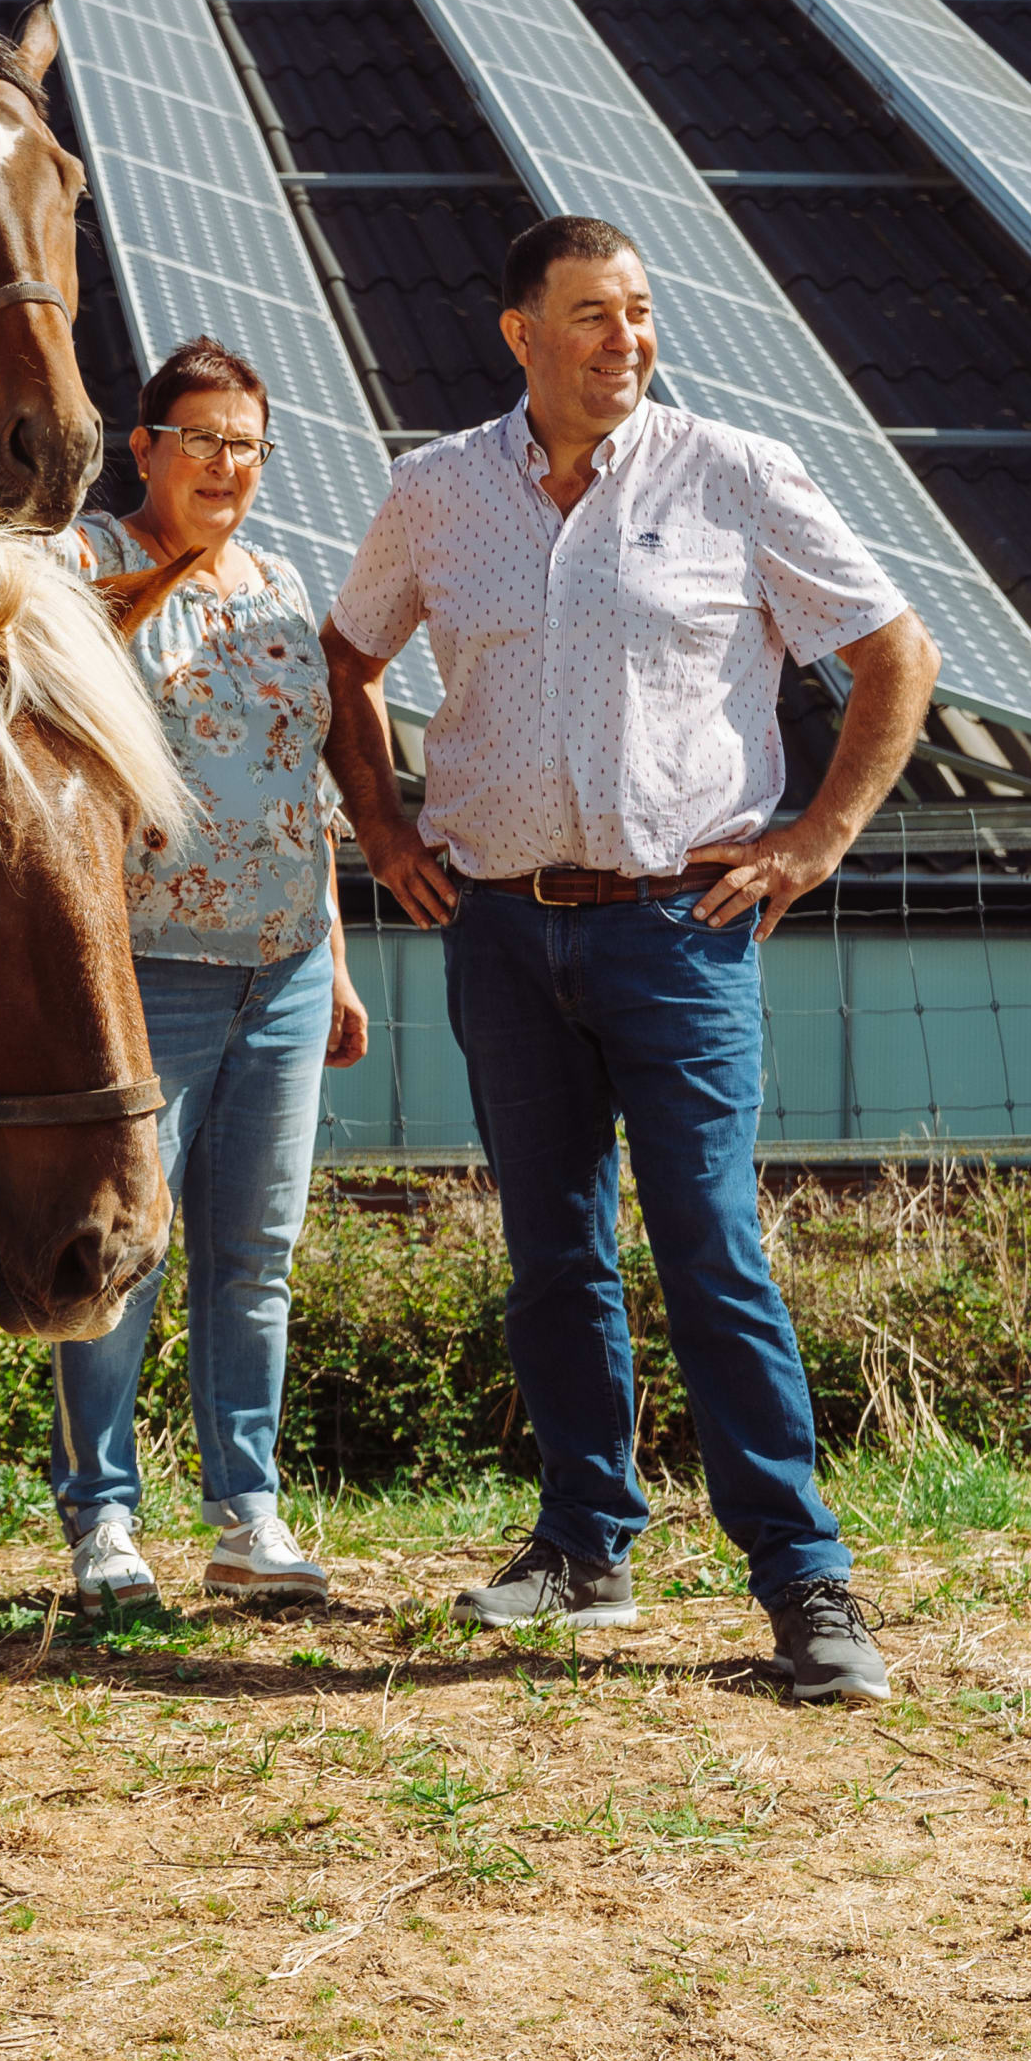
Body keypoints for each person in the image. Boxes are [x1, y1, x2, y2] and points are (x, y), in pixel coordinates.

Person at [320, 215, 936, 1705]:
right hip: (502, 925)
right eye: (591, 314)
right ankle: (586, 1542)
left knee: (712, 1246)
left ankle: (803, 1579)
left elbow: (894, 652)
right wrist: (385, 826)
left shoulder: (734, 475)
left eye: (640, 313)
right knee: (552, 1254)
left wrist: (817, 837)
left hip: (683, 925)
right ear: (520, 332)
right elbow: (344, 659)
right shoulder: (435, 492)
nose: (625, 340)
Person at [49, 337, 369, 1612]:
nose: (227, 465)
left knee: (257, 1252)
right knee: (119, 1249)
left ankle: (248, 1513)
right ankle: (104, 1522)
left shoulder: (285, 582)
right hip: (146, 974)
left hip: (282, 969)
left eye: (248, 445)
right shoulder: (83, 569)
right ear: (146, 448)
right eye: (203, 440)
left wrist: (335, 963)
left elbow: (311, 790)